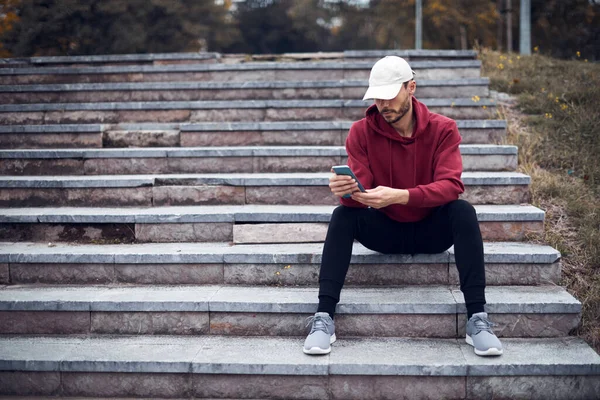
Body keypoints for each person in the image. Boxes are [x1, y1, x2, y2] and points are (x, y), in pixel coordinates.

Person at [303, 56, 503, 357]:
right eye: (377, 97)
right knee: (342, 215)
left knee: (463, 211)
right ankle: (324, 318)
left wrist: (399, 195)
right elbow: (362, 190)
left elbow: (451, 186)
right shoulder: (361, 131)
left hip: (431, 232)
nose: (382, 105)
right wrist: (346, 191)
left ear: (411, 87)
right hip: (385, 232)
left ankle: (478, 319)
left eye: (389, 95)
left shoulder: (443, 129)